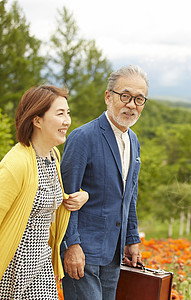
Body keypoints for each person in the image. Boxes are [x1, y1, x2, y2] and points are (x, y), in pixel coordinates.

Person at [60, 65, 148, 299]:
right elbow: (66, 196)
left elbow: (130, 196)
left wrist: (131, 239)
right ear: (108, 97)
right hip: (83, 253)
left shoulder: (133, 140)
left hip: (114, 253)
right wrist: (71, 245)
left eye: (139, 99)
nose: (132, 105)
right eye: (125, 96)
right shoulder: (83, 137)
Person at [0, 85, 89, 299]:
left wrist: (82, 196)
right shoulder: (16, 163)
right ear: (37, 120)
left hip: (41, 262)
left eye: (67, 113)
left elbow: (44, 197)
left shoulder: (53, 156)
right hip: (15, 265)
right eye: (60, 114)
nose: (67, 120)